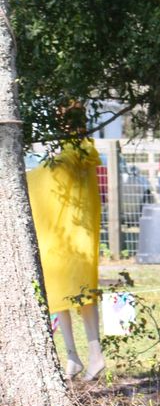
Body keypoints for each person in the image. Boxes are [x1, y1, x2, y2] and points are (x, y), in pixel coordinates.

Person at [27, 104, 107, 381]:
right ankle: (72, 356)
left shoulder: (76, 152)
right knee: (58, 292)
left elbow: (44, 179)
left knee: (83, 295)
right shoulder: (71, 151)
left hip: (75, 235)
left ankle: (95, 356)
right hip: (59, 234)